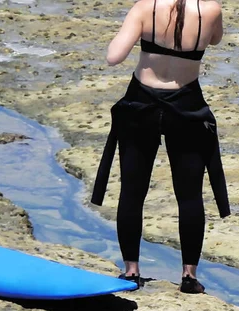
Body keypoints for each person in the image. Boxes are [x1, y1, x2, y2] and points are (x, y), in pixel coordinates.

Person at [91, 0, 230, 293]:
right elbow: (215, 39)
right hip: (187, 106)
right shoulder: (211, 10)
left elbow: (114, 57)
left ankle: (131, 272)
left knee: (133, 190)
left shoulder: (145, 7)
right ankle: (189, 277)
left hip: (141, 104)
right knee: (190, 194)